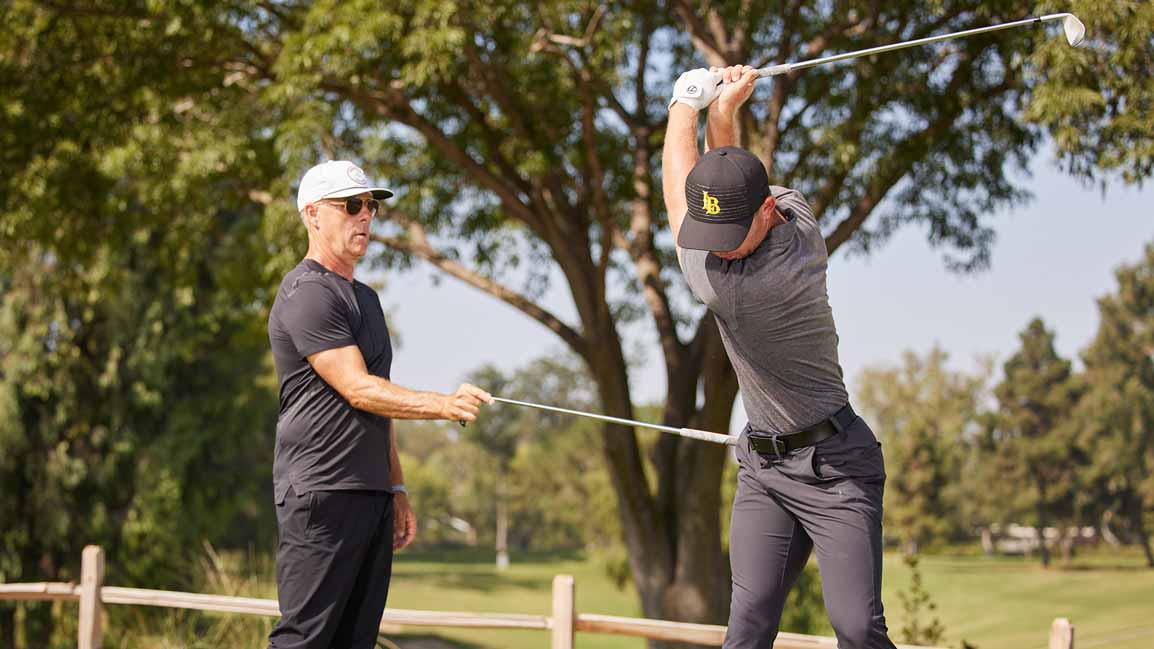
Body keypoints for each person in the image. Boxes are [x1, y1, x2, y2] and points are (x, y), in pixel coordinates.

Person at [663, 66, 898, 649]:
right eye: (709, 226)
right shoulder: (796, 213)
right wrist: (724, 114)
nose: (716, 245)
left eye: (730, 231)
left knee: (856, 628)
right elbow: (728, 173)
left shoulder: (741, 286)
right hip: (764, 470)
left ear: (768, 212)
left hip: (837, 467)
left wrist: (682, 105)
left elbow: (675, 189)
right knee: (745, 628)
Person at [266, 160, 493, 649]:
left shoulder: (365, 298)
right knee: (304, 640)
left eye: (370, 205)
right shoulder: (306, 293)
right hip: (320, 493)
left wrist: (396, 486)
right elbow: (358, 388)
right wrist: (443, 404)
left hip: (369, 492)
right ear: (313, 214)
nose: (365, 216)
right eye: (351, 206)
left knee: (357, 641)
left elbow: (378, 399)